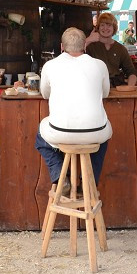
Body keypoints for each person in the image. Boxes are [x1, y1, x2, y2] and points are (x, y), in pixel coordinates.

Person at [34, 27, 112, 196]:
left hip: (60, 132)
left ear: (62, 46)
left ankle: (61, 177)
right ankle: (89, 184)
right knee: (103, 137)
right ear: (84, 45)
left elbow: (45, 94)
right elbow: (105, 93)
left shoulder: (50, 65)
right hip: (95, 133)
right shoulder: (99, 65)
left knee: (41, 138)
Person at [85, 12, 137, 87]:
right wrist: (88, 40)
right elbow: (75, 56)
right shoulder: (90, 46)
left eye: (109, 25)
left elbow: (131, 71)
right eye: (102, 25)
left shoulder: (120, 48)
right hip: (95, 87)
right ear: (98, 28)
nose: (105, 28)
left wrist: (130, 87)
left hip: (116, 87)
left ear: (114, 28)